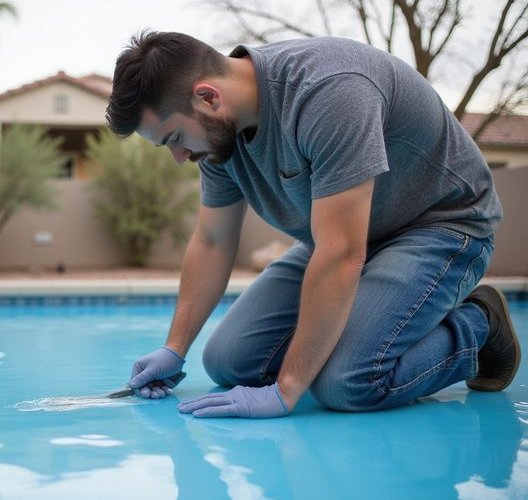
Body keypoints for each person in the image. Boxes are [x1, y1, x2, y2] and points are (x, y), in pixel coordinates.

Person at [106, 31, 520, 418]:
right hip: (346, 236)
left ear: (208, 98)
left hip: (439, 225)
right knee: (229, 361)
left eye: (174, 139)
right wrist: (175, 348)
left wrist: (287, 390)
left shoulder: (329, 91)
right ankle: (356, 332)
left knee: (347, 383)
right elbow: (213, 241)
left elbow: (341, 253)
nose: (179, 157)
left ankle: (479, 324)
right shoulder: (218, 140)